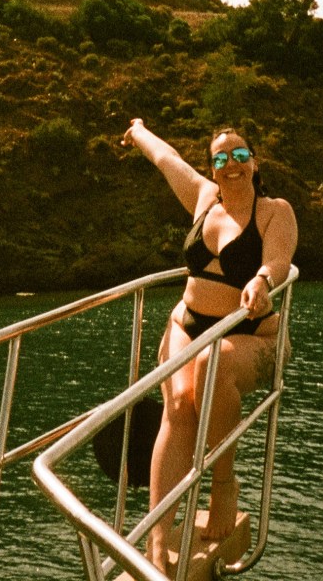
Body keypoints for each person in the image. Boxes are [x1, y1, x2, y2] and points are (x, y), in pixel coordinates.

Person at [121, 118, 298, 574]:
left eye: (239, 155)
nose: (230, 164)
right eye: (220, 158)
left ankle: (223, 485)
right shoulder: (203, 198)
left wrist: (261, 280)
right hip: (189, 322)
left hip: (251, 334)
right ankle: (158, 539)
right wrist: (138, 131)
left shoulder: (275, 211)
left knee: (212, 363)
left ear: (254, 163)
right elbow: (167, 160)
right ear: (214, 168)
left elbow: (278, 258)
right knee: (178, 406)